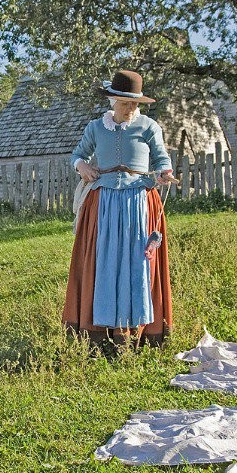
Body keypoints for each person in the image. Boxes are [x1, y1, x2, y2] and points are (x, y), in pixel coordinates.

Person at [62, 70, 175, 351]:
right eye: (125, 103)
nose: (131, 109)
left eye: (135, 104)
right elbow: (78, 155)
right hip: (104, 204)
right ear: (113, 100)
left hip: (139, 200)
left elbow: (161, 156)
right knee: (106, 262)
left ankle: (135, 331)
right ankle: (103, 333)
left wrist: (164, 172)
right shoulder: (96, 128)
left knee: (137, 263)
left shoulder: (149, 126)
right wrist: (82, 166)